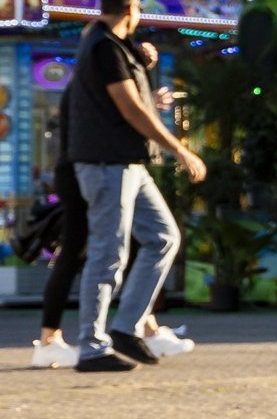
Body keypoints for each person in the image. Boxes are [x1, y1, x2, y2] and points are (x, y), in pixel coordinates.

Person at [65, 0, 206, 372]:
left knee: (163, 236)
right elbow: (130, 109)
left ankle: (127, 327)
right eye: (139, 10)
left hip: (128, 163)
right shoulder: (104, 48)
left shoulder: (110, 44)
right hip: (106, 164)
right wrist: (179, 148)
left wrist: (142, 60)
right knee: (108, 254)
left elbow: (131, 92)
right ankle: (92, 347)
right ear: (132, 9)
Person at [32, 85, 192, 367]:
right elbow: (118, 115)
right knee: (80, 250)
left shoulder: (106, 72)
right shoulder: (92, 74)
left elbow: (123, 113)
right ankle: (51, 341)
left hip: (97, 168)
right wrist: (173, 142)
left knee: (140, 244)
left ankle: (143, 328)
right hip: (82, 170)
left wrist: (147, 103)